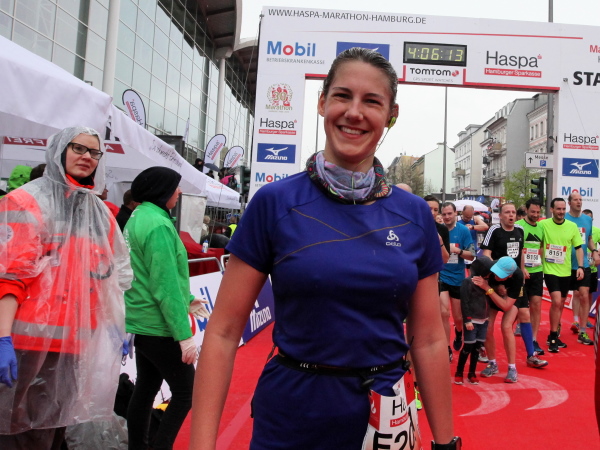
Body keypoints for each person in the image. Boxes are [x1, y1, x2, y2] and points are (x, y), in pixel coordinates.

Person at [189, 48, 458, 449]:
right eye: (342, 96)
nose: (354, 112)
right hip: (293, 414)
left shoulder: (414, 213)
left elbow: (429, 339)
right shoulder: (275, 203)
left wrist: (446, 442)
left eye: (372, 101)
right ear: (322, 103)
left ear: (391, 115)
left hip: (386, 414)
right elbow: (224, 333)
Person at [0, 126, 132, 448]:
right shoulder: (25, 202)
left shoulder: (99, 214)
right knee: (18, 434)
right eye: (78, 148)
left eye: (94, 152)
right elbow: (9, 278)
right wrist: (2, 337)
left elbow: (113, 278)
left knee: (56, 431)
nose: (87, 157)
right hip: (25, 344)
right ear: (59, 151)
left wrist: (116, 328)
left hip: (75, 345)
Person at [123, 166, 209, 450]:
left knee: (145, 390)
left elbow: (153, 274)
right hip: (159, 325)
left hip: (142, 320)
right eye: (175, 187)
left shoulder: (139, 216)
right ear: (162, 191)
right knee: (186, 392)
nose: (179, 192)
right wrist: (183, 336)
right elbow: (165, 284)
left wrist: (186, 299)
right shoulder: (158, 225)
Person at [480, 203, 547, 384]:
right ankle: (492, 363)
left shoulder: (519, 230)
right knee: (488, 325)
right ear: (500, 215)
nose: (511, 215)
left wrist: (522, 271)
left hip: (515, 282)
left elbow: (521, 253)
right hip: (496, 280)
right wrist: (496, 281)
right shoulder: (494, 230)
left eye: (513, 212)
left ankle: (523, 360)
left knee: (517, 319)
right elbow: (486, 256)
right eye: (507, 212)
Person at [455, 256, 508, 385]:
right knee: (467, 347)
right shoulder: (468, 282)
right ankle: (459, 372)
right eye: (488, 271)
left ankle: (472, 373)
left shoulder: (488, 282)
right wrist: (467, 320)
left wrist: (497, 290)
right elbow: (464, 303)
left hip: (484, 320)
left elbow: (490, 297)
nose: (490, 274)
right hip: (472, 320)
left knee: (477, 348)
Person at [541, 198, 584, 353]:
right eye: (558, 209)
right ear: (551, 210)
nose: (561, 212)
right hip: (550, 269)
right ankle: (553, 336)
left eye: (563, 209)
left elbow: (579, 248)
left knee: (560, 304)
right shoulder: (543, 224)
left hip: (566, 271)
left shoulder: (572, 226)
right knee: (557, 301)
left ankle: (554, 333)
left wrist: (580, 267)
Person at [439, 202, 475, 360]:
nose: (447, 217)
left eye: (449, 214)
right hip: (441, 275)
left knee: (458, 318)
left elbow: (472, 255)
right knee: (444, 313)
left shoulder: (463, 230)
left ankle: (458, 332)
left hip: (458, 278)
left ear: (455, 214)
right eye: (444, 214)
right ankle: (446, 347)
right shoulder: (438, 230)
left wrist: (457, 251)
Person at [565, 192, 598, 345]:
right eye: (576, 200)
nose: (579, 202)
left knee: (584, 294)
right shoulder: (564, 218)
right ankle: (556, 329)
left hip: (582, 263)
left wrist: (594, 250)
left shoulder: (587, 220)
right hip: (565, 265)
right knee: (560, 299)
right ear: (569, 203)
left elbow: (589, 239)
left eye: (580, 200)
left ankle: (582, 331)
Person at [516, 198, 545, 354]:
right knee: (517, 307)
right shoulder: (519, 226)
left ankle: (533, 340)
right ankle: (514, 328)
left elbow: (541, 246)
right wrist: (522, 268)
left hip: (537, 271)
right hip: (520, 273)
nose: (535, 214)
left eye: (538, 212)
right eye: (532, 211)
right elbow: (517, 249)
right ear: (526, 210)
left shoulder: (541, 227)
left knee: (536, 304)